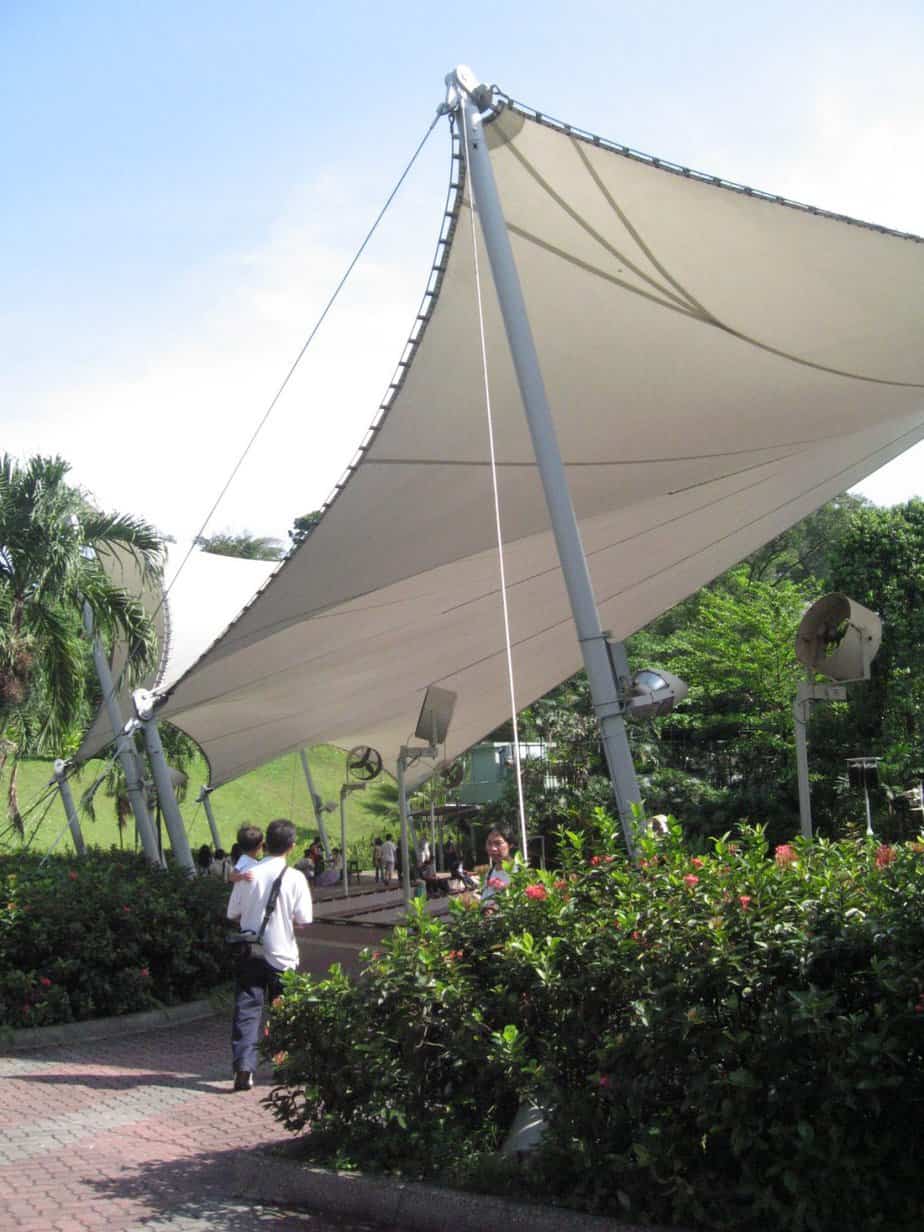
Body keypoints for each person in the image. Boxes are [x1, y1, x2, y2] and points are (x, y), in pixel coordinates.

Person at [227, 818, 313, 1091]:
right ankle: (282, 1065)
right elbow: (304, 918)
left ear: (265, 844)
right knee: (283, 1012)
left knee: (247, 1009)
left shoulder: (247, 875)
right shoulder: (296, 878)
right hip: (282, 955)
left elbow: (232, 913)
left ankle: (243, 1067)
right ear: (291, 846)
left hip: (250, 952)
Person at [480, 826, 518, 907]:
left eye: (498, 843)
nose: (493, 848)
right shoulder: (489, 874)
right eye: (489, 843)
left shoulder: (519, 873)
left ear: (510, 844)